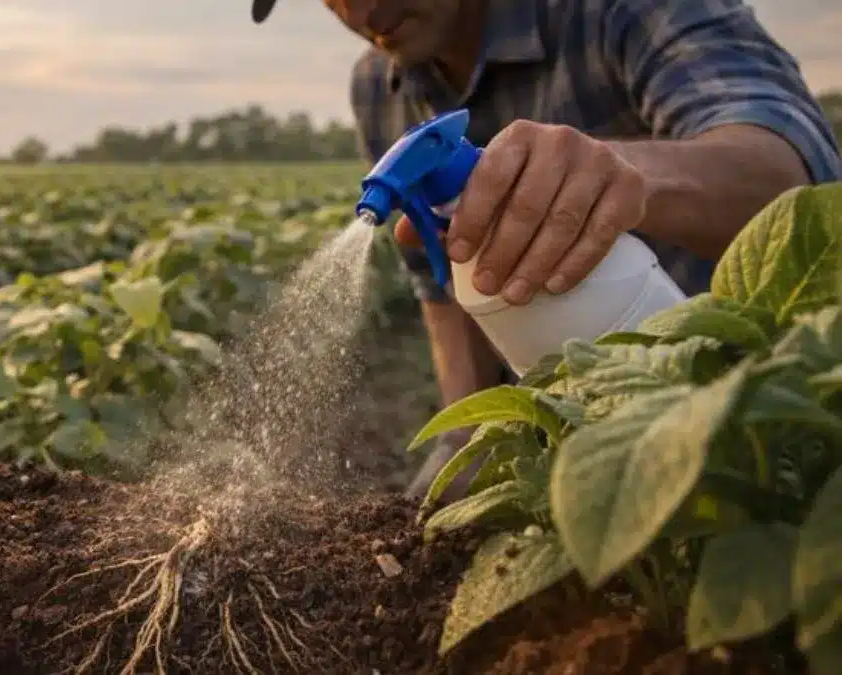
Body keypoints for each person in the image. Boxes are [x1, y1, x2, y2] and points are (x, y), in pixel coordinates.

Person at [250, 0, 842, 500]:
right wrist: (463, 445)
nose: (362, 6)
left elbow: (794, 175)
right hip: (587, 451)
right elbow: (438, 284)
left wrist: (619, 176)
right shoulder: (379, 84)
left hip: (764, 434)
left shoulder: (620, 10)